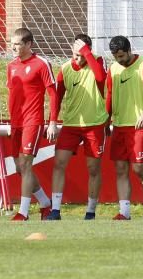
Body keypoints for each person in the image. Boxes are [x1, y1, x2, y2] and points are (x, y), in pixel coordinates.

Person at [46, 35, 108, 220]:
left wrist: (87, 54)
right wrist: (52, 122)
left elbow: (101, 78)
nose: (77, 58)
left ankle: (90, 211)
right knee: (59, 163)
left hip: (95, 124)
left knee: (93, 168)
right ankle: (55, 210)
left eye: (80, 55)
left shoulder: (97, 61)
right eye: (74, 54)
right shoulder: (65, 69)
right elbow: (56, 97)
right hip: (71, 125)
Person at [107, 35, 143, 220]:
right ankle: (124, 212)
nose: (119, 60)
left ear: (129, 51)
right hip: (119, 125)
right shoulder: (113, 68)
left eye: (121, 56)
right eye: (116, 57)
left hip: (139, 126)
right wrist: (107, 120)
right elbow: (109, 95)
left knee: (138, 168)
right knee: (121, 169)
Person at [6, 28, 56, 221]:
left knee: (26, 165)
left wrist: (52, 121)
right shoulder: (11, 66)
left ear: (28, 44)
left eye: (17, 43)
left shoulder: (41, 64)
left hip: (32, 121)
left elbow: (53, 94)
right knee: (20, 168)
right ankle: (45, 203)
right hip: (16, 123)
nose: (14, 47)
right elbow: (12, 96)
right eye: (12, 43)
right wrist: (11, 122)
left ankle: (23, 212)